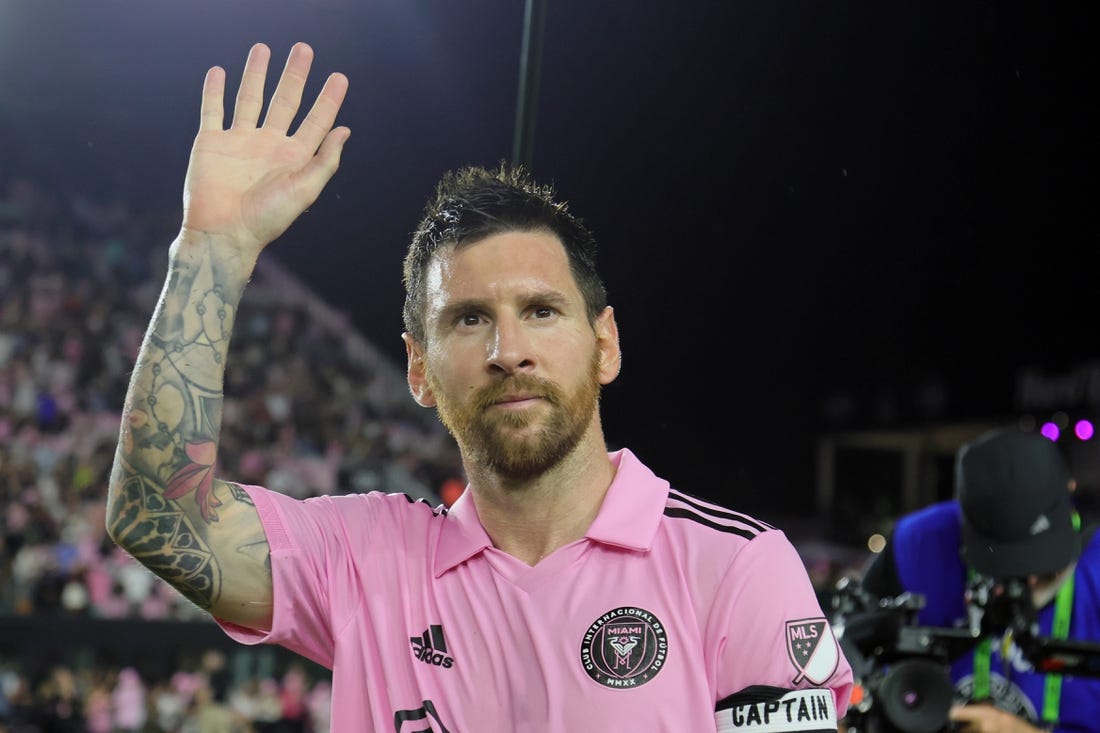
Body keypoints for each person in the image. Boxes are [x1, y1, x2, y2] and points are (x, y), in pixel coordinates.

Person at [106, 41, 853, 732]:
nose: (508, 350)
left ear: (605, 344)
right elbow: (156, 515)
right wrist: (213, 249)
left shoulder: (739, 569)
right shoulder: (362, 559)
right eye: (468, 319)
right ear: (418, 370)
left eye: (541, 309)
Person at [857, 427, 1100, 732]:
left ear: (1071, 489)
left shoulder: (1096, 571)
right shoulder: (917, 544)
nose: (1030, 582)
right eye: (1005, 568)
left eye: (1046, 565)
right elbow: (849, 657)